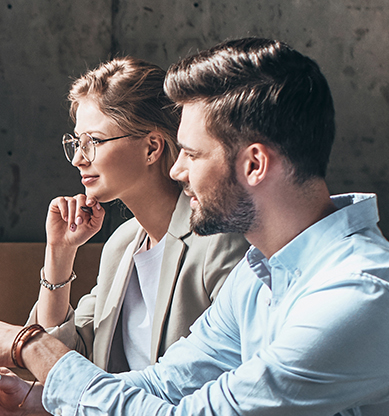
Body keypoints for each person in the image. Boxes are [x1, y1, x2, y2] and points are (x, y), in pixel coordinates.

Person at [0, 38, 389, 416]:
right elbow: (163, 386)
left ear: (254, 163)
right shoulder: (262, 275)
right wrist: (30, 399)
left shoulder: (356, 295)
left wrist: (28, 347)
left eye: (191, 154)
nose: (176, 171)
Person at [33, 57, 249, 374]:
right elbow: (60, 364)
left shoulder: (219, 243)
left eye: (93, 141)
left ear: (151, 148)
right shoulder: (122, 246)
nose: (78, 158)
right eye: (77, 142)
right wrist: (59, 254)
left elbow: (233, 377)